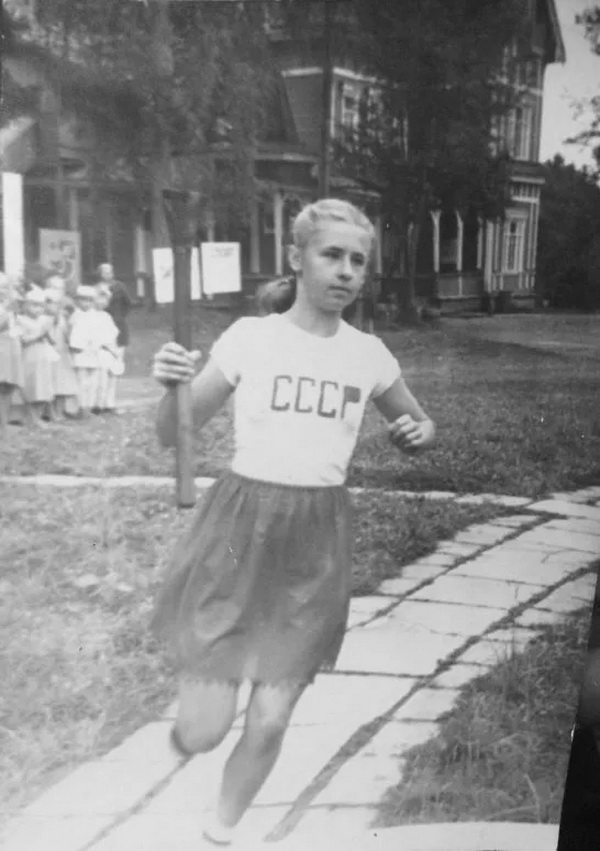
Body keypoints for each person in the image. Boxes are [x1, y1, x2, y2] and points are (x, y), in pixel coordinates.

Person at [150, 198, 436, 846]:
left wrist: (419, 432)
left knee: (271, 719)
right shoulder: (251, 339)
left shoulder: (368, 354)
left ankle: (218, 831)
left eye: (358, 260)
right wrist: (171, 386)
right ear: (296, 258)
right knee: (204, 728)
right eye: (331, 254)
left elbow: (419, 422)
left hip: (314, 546)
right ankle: (189, 736)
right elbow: (174, 432)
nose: (346, 271)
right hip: (237, 535)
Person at [16, 286, 57, 426]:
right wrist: (39, 334)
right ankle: (30, 418)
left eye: (41, 306)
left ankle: (38, 416)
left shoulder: (45, 319)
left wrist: (48, 331)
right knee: (32, 387)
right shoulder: (20, 320)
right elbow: (23, 340)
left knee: (44, 387)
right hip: (30, 356)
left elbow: (52, 340)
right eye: (34, 305)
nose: (38, 309)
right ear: (25, 305)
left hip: (44, 356)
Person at [45, 289, 79, 420]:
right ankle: (49, 412)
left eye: (57, 304)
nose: (54, 306)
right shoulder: (44, 319)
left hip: (61, 354)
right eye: (50, 303)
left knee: (61, 384)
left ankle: (60, 411)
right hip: (47, 353)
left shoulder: (63, 319)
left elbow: (67, 336)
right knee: (48, 383)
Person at [69, 285, 101, 417]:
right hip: (80, 351)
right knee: (81, 381)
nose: (86, 304)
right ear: (77, 301)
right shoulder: (75, 316)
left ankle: (90, 406)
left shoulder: (95, 315)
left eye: (90, 300)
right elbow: (72, 334)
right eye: (83, 300)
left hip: (93, 351)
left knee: (93, 381)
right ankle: (81, 407)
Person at [0, 272, 24, 433]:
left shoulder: (8, 305)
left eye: (4, 287)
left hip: (11, 348)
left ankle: (4, 422)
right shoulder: (6, 308)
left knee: (9, 385)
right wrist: (6, 312)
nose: (2, 291)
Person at [93, 285, 123, 414]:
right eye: (99, 298)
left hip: (110, 350)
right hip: (100, 350)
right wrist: (109, 348)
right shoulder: (91, 316)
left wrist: (115, 350)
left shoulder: (106, 316)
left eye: (106, 299)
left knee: (112, 377)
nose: (103, 302)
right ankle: (98, 405)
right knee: (100, 380)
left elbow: (112, 334)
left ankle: (109, 403)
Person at [96, 263, 131, 366]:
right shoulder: (97, 288)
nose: (108, 275)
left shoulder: (120, 286)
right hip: (103, 324)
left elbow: (127, 303)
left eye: (110, 272)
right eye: (105, 272)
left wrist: (121, 316)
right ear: (100, 274)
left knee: (119, 354)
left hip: (118, 322)